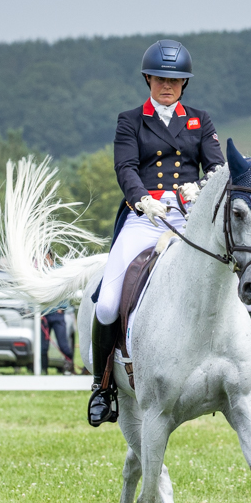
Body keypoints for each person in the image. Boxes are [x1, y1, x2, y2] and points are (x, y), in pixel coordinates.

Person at [88, 39, 224, 426]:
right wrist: (142, 199)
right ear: (148, 78)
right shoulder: (130, 120)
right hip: (145, 217)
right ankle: (103, 387)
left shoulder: (200, 119)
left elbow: (216, 165)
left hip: (189, 218)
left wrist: (203, 185)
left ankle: (246, 373)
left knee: (230, 279)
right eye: (161, 78)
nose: (168, 85)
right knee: (108, 303)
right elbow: (125, 167)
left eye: (176, 80)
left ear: (184, 84)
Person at [41, 307, 74, 374]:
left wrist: (62, 308)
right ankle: (43, 371)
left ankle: (69, 368)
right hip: (44, 316)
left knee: (63, 346)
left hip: (58, 315)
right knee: (43, 347)